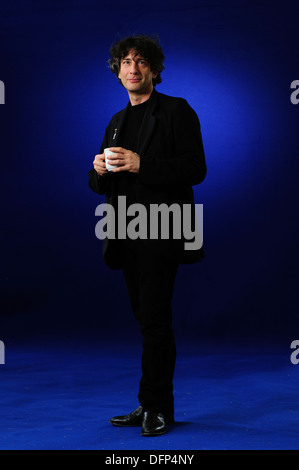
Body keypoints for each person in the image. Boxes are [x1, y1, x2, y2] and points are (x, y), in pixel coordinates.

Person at [88, 35, 207, 436]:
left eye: (141, 61)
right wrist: (99, 172)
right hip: (125, 230)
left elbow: (195, 169)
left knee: (155, 319)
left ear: (154, 70)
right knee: (146, 319)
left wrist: (142, 164)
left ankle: (157, 406)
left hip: (164, 227)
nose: (132, 68)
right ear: (117, 70)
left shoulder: (177, 110)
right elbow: (95, 182)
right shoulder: (117, 122)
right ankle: (152, 403)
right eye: (125, 61)